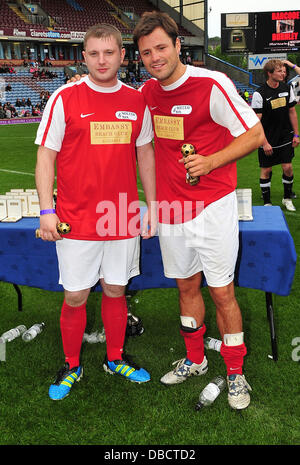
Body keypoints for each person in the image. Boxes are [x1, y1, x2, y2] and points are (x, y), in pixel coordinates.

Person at [133, 11, 264, 410]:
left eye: (160, 47)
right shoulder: (148, 93)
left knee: (222, 292)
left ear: (177, 45)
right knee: (186, 287)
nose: (154, 57)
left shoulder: (213, 83)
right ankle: (194, 358)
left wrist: (212, 161)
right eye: (145, 53)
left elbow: (255, 135)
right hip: (172, 210)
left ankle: (236, 372)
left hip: (212, 207)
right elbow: (144, 148)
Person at [35, 23, 156, 401]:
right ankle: (72, 364)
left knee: (116, 290)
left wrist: (151, 206)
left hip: (121, 217)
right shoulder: (64, 98)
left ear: (123, 55)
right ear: (84, 57)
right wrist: (45, 210)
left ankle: (115, 357)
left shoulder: (137, 102)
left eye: (110, 53)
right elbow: (45, 156)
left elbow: (146, 154)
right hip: (75, 219)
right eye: (94, 54)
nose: (102, 60)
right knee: (75, 296)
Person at [251, 59, 299, 211]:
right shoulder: (259, 93)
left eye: (284, 71)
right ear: (269, 73)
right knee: (266, 170)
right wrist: (264, 142)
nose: (283, 74)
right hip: (267, 137)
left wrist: (296, 134)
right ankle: (267, 202)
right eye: (279, 71)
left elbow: (292, 111)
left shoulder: (287, 87)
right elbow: (256, 122)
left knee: (288, 167)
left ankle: (286, 198)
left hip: (285, 135)